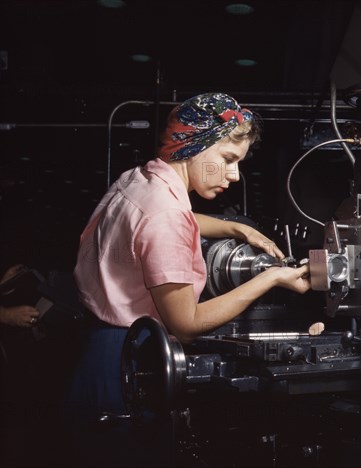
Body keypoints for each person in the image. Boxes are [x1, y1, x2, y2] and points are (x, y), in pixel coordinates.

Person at [64, 93, 311, 465]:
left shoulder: (141, 180)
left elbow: (171, 218)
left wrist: (235, 228)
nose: (234, 174)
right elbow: (188, 324)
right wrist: (272, 278)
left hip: (98, 354)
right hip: (130, 365)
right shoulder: (165, 215)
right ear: (195, 146)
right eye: (228, 159)